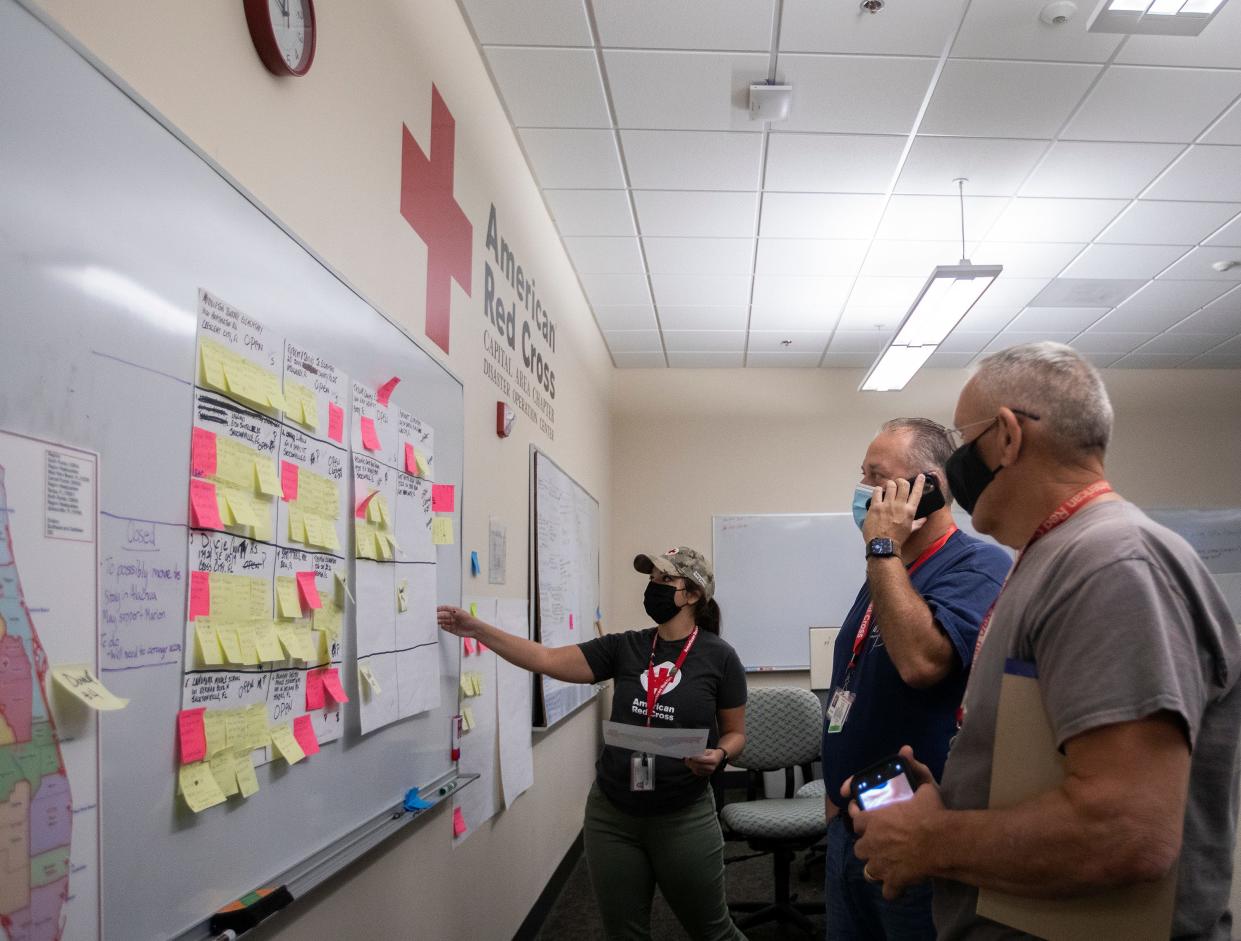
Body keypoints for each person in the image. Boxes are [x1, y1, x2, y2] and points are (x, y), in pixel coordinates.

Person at [845, 342, 1241, 940]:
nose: (954, 471)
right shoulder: (1054, 557)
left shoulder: (1112, 564)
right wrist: (952, 801)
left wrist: (933, 839)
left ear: (1006, 436)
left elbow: (1124, 831)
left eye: (963, 439)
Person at [437, 546, 748, 941]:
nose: (652, 586)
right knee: (623, 934)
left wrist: (720, 754)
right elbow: (546, 658)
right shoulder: (626, 647)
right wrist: (478, 629)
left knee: (713, 932)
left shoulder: (720, 657)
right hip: (612, 814)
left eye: (664, 580)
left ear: (692, 595)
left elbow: (736, 733)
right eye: (651, 578)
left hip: (683, 816)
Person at [823, 418, 1011, 940]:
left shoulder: (977, 564)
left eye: (875, 475)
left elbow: (921, 664)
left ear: (926, 488)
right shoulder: (891, 572)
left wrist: (881, 548)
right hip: (851, 815)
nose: (862, 489)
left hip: (915, 820)